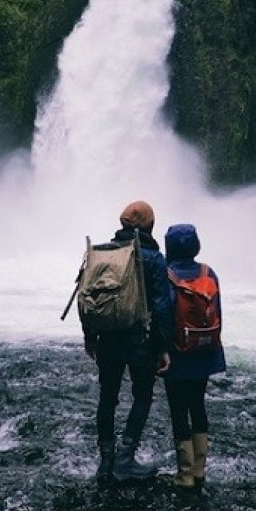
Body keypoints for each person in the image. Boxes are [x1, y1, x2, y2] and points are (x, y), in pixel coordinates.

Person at [82, 200, 173, 483]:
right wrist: (163, 346)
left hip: (107, 338)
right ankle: (125, 458)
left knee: (107, 397)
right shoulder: (154, 259)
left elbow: (88, 296)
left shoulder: (102, 253)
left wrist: (90, 336)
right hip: (140, 341)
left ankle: (105, 461)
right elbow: (161, 307)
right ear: (149, 226)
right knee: (142, 395)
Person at [163, 223, 226, 489]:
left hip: (178, 354)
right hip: (205, 350)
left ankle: (185, 474)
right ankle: (200, 470)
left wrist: (161, 350)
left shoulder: (167, 275)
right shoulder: (208, 272)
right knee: (198, 405)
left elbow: (164, 317)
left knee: (179, 409)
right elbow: (218, 311)